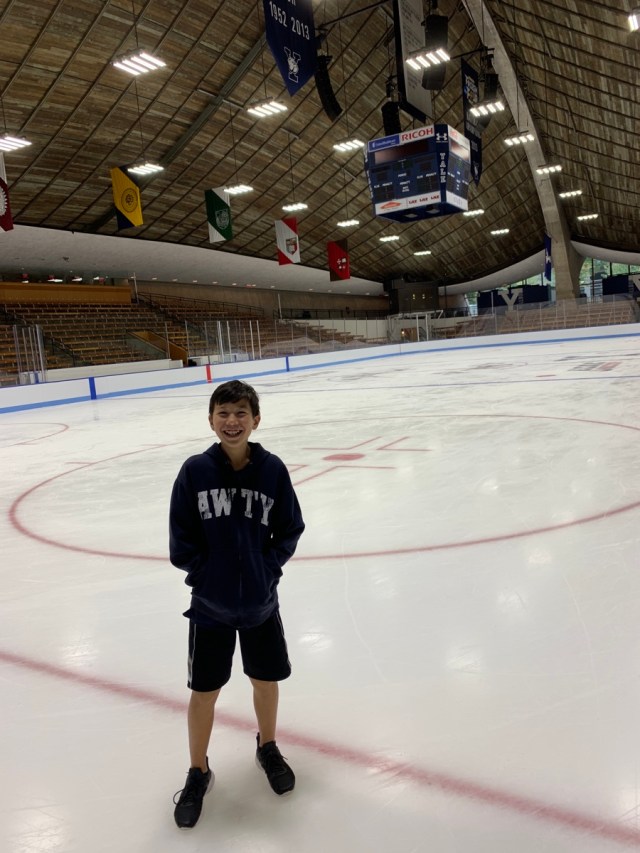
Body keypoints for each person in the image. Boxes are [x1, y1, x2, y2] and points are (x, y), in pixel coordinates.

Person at [169, 379, 305, 829]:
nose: (232, 421)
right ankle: (198, 771)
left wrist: (267, 568)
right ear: (211, 420)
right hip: (211, 607)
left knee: (265, 681)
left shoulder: (272, 469)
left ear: (256, 420)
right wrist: (207, 575)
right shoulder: (195, 471)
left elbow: (290, 528)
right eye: (223, 413)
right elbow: (181, 540)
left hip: (261, 604)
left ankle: (268, 746)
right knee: (204, 691)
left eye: (241, 413)